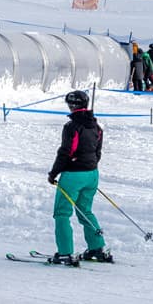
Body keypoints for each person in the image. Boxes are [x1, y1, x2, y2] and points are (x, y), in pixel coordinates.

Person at [46, 89, 110, 265]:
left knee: (62, 213)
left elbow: (66, 152)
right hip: (92, 174)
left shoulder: (72, 126)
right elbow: (98, 151)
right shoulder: (96, 126)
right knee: (85, 210)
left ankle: (65, 252)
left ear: (72, 105)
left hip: (73, 175)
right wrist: (90, 165)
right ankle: (96, 248)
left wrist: (53, 173)